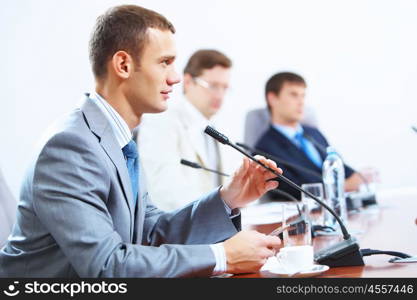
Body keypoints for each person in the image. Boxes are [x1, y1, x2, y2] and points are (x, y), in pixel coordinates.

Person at [0, 5, 282, 278]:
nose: (174, 78)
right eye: (164, 63)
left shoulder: (117, 140)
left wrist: (227, 197)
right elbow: (107, 266)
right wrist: (223, 257)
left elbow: (150, 232)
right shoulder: (70, 147)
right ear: (123, 65)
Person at [138, 49, 231, 211]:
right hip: (181, 229)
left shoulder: (219, 129)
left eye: (225, 88)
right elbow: (165, 192)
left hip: (218, 226)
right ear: (188, 82)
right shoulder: (160, 120)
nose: (220, 95)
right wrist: (215, 218)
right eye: (213, 86)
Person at [254, 72, 364, 200]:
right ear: (272, 98)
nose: (301, 102)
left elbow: (341, 169)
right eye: (294, 95)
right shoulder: (264, 148)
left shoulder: (313, 133)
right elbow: (298, 189)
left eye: (303, 96)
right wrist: (342, 186)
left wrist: (358, 178)